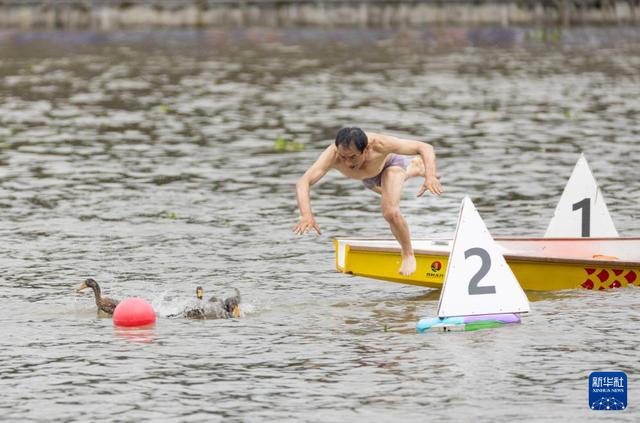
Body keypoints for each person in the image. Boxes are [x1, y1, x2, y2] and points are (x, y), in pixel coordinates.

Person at [293, 127, 443, 276]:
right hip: (369, 179)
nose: (347, 163)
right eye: (343, 157)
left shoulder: (380, 144)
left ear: (366, 150)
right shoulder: (332, 155)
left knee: (390, 212)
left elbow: (425, 147)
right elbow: (303, 182)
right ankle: (414, 169)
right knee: (388, 191)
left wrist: (430, 176)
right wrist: (306, 215)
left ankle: (408, 254)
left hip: (391, 166)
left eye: (352, 157)